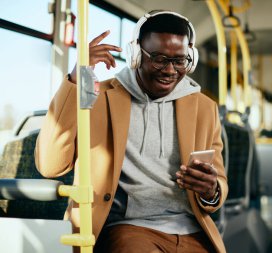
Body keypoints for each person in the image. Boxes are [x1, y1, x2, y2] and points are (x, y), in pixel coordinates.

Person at [35, 10, 228, 253]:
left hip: (192, 229)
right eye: (159, 59)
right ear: (136, 55)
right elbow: (49, 165)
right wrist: (77, 77)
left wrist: (210, 190)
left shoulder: (204, 108)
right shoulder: (98, 99)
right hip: (127, 229)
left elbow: (219, 181)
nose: (170, 71)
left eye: (179, 61)